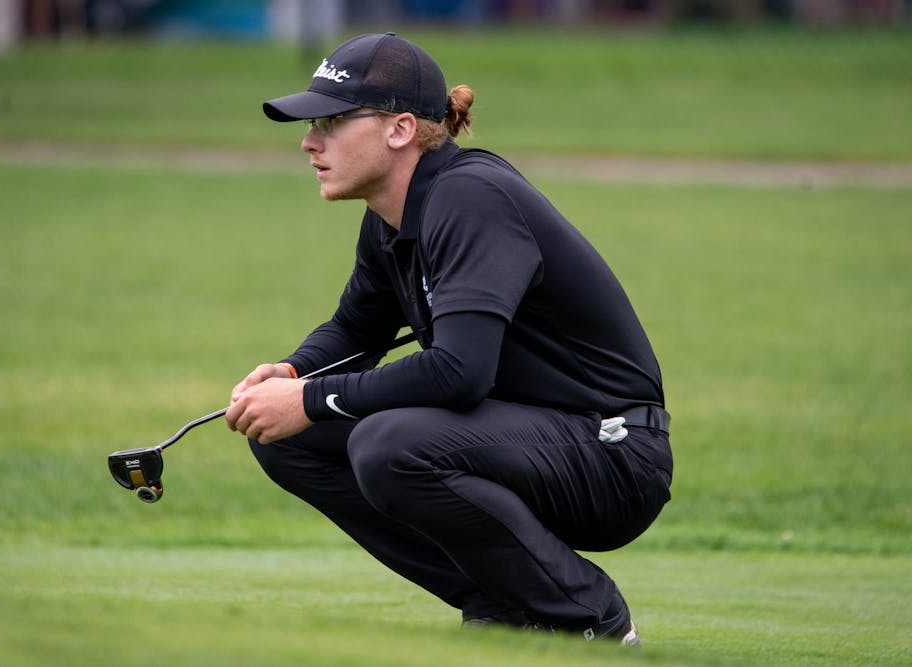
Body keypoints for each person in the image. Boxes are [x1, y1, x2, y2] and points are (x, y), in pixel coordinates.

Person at [226, 32, 672, 645]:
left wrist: (306, 400)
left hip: (613, 452)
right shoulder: (392, 214)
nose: (309, 140)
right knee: (285, 439)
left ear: (401, 129)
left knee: (388, 443)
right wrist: (292, 373)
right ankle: (499, 599)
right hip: (524, 438)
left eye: (330, 121)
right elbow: (358, 329)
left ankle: (589, 615)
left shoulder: (469, 196)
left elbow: (461, 374)